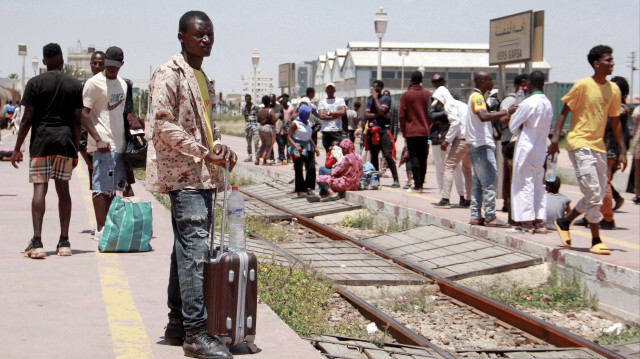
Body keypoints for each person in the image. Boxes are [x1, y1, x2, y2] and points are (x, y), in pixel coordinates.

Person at [146, 11, 235, 359]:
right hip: (184, 176)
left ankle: (176, 325)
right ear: (182, 36)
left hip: (202, 174)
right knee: (195, 252)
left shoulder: (203, 77)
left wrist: (218, 148)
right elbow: (162, 125)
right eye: (199, 34)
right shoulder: (170, 73)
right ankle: (196, 335)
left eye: (210, 34)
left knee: (185, 250)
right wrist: (203, 152)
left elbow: (204, 130)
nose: (206, 40)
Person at [548, 45, 627, 255]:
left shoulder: (614, 89)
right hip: (579, 143)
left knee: (598, 194)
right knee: (593, 192)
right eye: (608, 60)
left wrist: (622, 150)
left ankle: (565, 221)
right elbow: (565, 111)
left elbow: (616, 121)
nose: (612, 64)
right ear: (596, 64)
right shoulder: (582, 85)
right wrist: (556, 138)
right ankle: (595, 239)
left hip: (598, 146)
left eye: (612, 60)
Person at [11, 43, 83, 258]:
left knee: (39, 189)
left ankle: (37, 242)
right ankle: (64, 242)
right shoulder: (74, 84)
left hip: (41, 143)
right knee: (64, 191)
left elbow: (27, 119)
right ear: (61, 59)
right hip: (64, 142)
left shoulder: (35, 83)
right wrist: (75, 149)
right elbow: (78, 120)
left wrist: (17, 148)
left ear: (44, 61)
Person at [81, 46, 129, 241]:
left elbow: (122, 115)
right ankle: (101, 228)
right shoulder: (93, 83)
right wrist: (97, 139)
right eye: (108, 65)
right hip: (102, 145)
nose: (110, 69)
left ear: (121, 65)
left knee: (115, 188)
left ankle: (111, 226)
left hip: (120, 145)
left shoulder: (123, 85)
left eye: (115, 67)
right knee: (100, 187)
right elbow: (83, 114)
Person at [466, 72, 515, 227]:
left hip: (476, 145)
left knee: (479, 182)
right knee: (489, 181)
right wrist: (507, 112)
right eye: (489, 79)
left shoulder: (475, 97)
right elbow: (483, 116)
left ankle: (475, 215)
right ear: (482, 81)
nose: (492, 81)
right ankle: (490, 216)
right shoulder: (478, 97)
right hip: (482, 145)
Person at [507, 71, 553, 233]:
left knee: (523, 183)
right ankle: (540, 221)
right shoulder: (547, 103)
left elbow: (513, 126)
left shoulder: (528, 103)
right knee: (538, 183)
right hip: (540, 148)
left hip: (526, 147)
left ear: (530, 84)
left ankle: (526, 222)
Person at [432, 86, 472, 209]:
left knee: (448, 167)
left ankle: (445, 199)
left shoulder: (449, 105)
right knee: (467, 170)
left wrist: (446, 141)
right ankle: (468, 199)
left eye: (438, 101)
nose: (438, 104)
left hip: (461, 140)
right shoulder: (461, 104)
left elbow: (455, 123)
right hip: (469, 139)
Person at [499, 74, 528, 214]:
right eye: (522, 84)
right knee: (509, 174)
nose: (525, 87)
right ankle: (508, 203)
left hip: (524, 143)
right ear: (516, 85)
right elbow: (503, 118)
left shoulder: (530, 100)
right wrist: (515, 118)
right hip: (509, 142)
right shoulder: (510, 100)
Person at [399, 71, 431, 193]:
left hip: (411, 132)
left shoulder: (406, 95)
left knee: (414, 157)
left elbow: (402, 115)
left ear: (411, 80)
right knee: (424, 156)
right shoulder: (428, 94)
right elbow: (430, 113)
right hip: (425, 133)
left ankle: (417, 183)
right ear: (421, 81)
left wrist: (404, 131)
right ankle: (421, 182)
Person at [78, 51, 105, 196]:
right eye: (95, 63)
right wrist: (83, 151)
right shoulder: (85, 86)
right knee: (97, 188)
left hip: (110, 144)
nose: (97, 66)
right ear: (90, 65)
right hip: (92, 145)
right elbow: (82, 119)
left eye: (101, 64)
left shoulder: (114, 85)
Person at [365, 80, 400, 187]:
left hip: (383, 131)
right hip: (373, 130)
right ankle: (375, 181)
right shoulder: (369, 100)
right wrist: (378, 114)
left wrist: (376, 99)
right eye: (373, 88)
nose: (374, 90)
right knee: (374, 156)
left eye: (376, 88)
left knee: (387, 154)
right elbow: (366, 115)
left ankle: (396, 180)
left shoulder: (386, 98)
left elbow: (383, 110)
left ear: (380, 88)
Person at [287, 105, 320, 197]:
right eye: (308, 114)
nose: (309, 115)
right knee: (298, 169)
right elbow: (289, 137)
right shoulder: (295, 123)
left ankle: (309, 187)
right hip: (298, 148)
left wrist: (315, 147)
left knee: (311, 167)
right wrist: (296, 146)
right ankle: (300, 190)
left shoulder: (308, 123)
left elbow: (309, 137)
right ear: (303, 114)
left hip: (308, 147)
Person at [318, 83, 346, 152]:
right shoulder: (322, 102)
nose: (330, 91)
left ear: (334, 90)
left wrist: (329, 113)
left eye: (331, 89)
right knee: (328, 152)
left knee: (337, 152)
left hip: (336, 130)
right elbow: (321, 116)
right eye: (328, 89)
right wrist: (336, 115)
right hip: (326, 130)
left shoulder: (340, 101)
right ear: (326, 91)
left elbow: (342, 112)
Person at [255, 95, 277, 165]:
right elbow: (274, 120)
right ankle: (264, 160)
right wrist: (278, 116)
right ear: (269, 102)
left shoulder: (260, 111)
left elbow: (258, 120)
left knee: (263, 144)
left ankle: (257, 158)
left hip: (261, 128)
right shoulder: (270, 111)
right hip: (269, 129)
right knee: (269, 145)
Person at [241, 94, 259, 162]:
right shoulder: (244, 108)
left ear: (250, 99)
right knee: (249, 143)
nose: (247, 101)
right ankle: (250, 156)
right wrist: (248, 124)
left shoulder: (256, 107)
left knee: (256, 142)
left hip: (255, 126)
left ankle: (257, 156)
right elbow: (245, 117)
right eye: (246, 100)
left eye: (248, 100)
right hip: (248, 127)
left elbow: (259, 116)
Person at [278, 94, 295, 163]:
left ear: (287, 100)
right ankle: (281, 157)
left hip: (288, 129)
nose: (284, 101)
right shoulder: (280, 108)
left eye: (286, 99)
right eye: (283, 99)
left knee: (288, 144)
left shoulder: (291, 108)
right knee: (281, 143)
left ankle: (288, 157)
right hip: (281, 128)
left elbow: (293, 118)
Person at [269, 94, 284, 163]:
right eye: (270, 99)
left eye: (272, 98)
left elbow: (282, 119)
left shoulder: (280, 107)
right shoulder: (268, 108)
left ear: (275, 99)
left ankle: (281, 157)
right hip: (270, 128)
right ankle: (272, 158)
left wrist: (281, 128)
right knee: (271, 143)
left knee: (280, 142)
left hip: (278, 128)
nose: (271, 100)